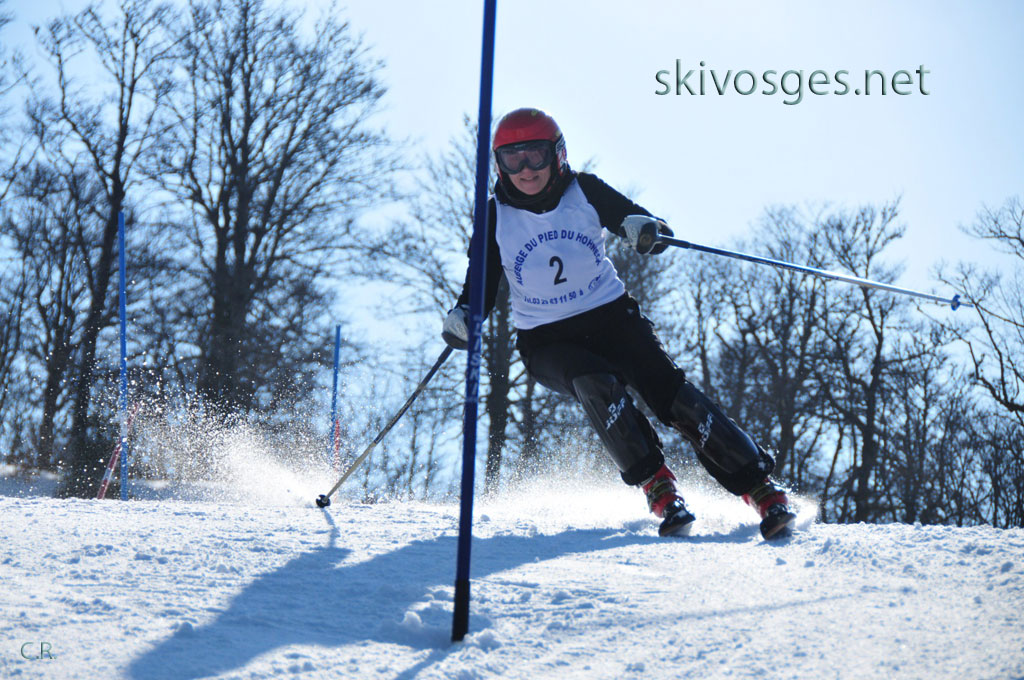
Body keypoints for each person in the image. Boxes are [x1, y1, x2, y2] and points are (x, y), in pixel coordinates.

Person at [442, 107, 796, 539]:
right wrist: (465, 316)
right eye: (512, 160)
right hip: (547, 340)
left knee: (671, 395)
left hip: (612, 320)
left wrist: (645, 230)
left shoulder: (584, 190)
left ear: (558, 154)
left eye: (535, 155)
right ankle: (659, 488)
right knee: (594, 383)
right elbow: (480, 284)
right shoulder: (495, 215)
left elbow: (649, 229)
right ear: (499, 165)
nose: (526, 170)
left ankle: (761, 488)